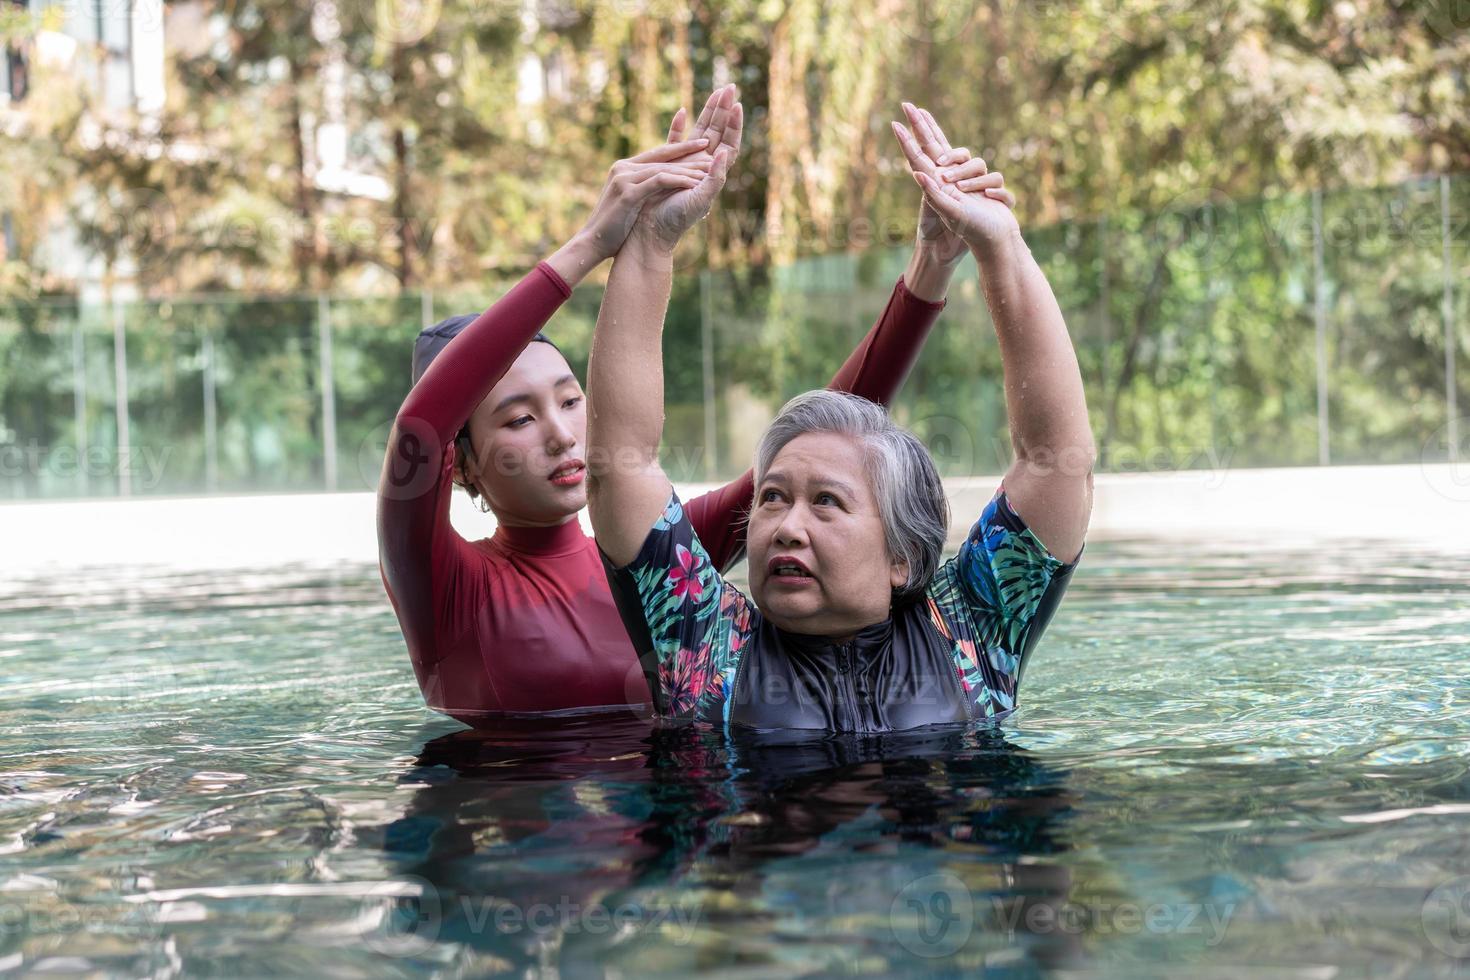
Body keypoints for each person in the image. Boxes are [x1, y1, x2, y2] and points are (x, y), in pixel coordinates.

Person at [377, 87, 982, 724]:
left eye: (572, 400)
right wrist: (590, 244)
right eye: (520, 418)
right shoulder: (443, 585)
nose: (563, 435)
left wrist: (930, 270)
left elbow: (837, 436)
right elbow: (420, 427)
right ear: (462, 464)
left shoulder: (663, 552)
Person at [589, 102, 1094, 732]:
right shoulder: (705, 644)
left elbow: (1056, 459)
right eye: (772, 498)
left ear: (901, 560)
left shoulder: (970, 632)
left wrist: (1000, 244)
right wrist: (650, 245)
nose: (787, 527)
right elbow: (621, 465)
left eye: (826, 502)